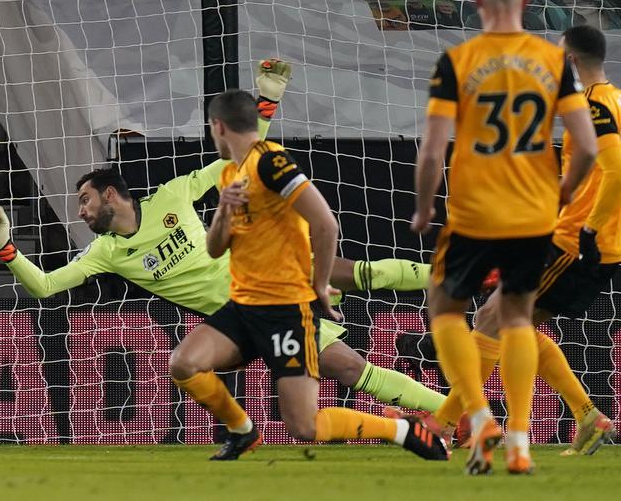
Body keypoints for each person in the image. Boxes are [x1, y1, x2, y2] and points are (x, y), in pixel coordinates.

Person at [0, 63, 445, 460]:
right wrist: (6, 249)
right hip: (234, 314)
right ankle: (242, 429)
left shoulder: (173, 194)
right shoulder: (105, 253)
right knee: (184, 365)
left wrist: (264, 105)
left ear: (110, 194)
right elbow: (46, 287)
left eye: (84, 200)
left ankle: (450, 412)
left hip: (275, 295)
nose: (80, 211)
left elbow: (241, 158)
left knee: (350, 363)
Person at [164, 89, 448, 460]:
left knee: (305, 426)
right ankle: (242, 432)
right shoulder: (232, 176)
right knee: (184, 363)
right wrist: (222, 212)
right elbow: (215, 249)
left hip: (286, 311)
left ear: (216, 126)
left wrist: (319, 285)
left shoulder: (271, 162)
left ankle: (401, 429)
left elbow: (326, 224)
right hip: (243, 307)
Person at [412, 0, 598, 475]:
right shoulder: (554, 61)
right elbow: (585, 146)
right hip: (533, 213)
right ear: (526, 3)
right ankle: (519, 441)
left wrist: (425, 206)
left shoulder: (458, 61)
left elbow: (431, 152)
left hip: (473, 212)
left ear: (477, 3)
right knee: (518, 318)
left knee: (445, 307)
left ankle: (478, 415)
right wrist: (561, 191)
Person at [427, 25, 621, 456]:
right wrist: (602, 201)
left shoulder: (593, 107)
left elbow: (620, 174)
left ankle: (443, 423)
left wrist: (588, 222)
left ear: (569, 61)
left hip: (574, 242)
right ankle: (588, 416)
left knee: (492, 319)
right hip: (594, 242)